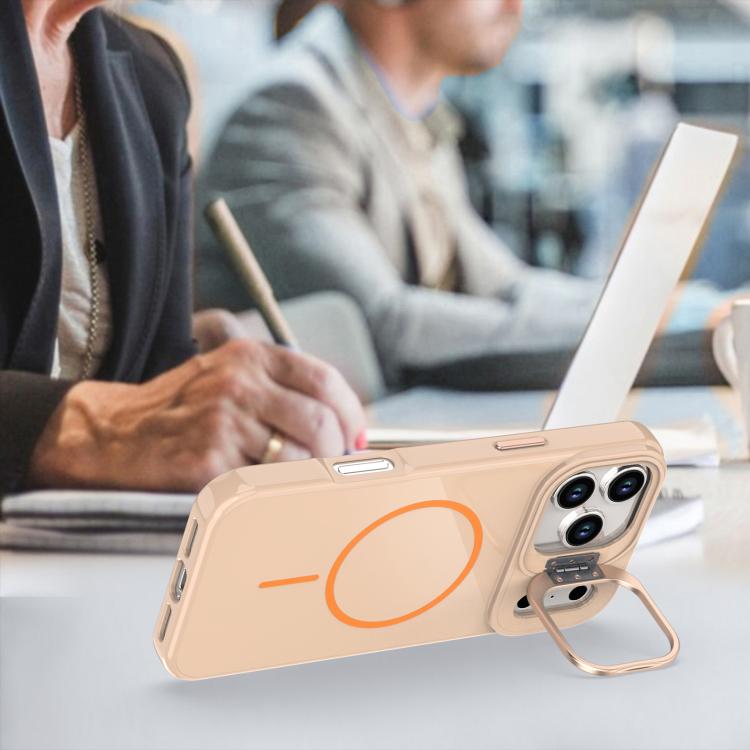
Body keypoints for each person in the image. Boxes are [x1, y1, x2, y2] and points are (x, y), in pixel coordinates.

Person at [0, 0, 366, 497]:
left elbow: (160, 382)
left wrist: (214, 404)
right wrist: (99, 428)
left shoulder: (153, 80)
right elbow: (130, 421)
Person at [197, 0, 604, 387]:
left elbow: (504, 285)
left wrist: (623, 310)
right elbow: (383, 327)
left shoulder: (415, 114)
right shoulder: (289, 109)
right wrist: (608, 330)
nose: (515, 6)